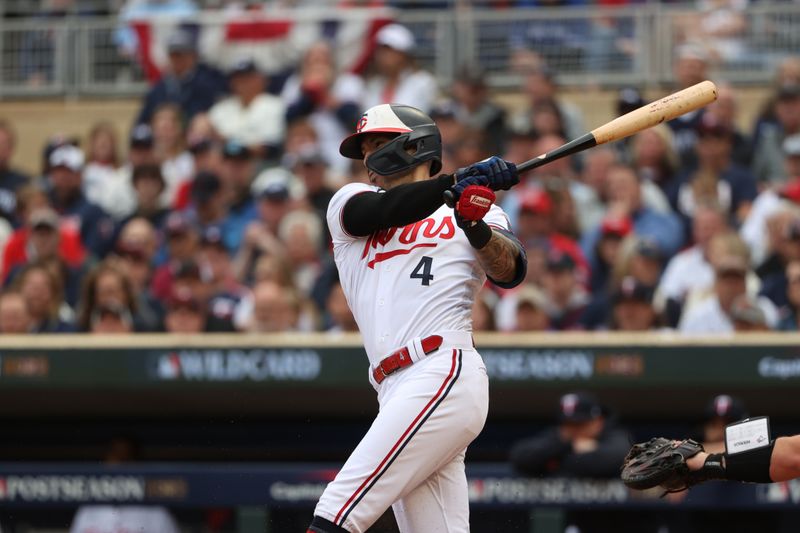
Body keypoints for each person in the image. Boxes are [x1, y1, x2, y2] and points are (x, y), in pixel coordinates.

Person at [307, 103, 525, 533]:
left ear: (415, 145)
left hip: (441, 369)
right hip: (392, 388)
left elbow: (511, 270)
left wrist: (473, 224)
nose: (368, 159)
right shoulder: (349, 202)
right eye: (364, 149)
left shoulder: (471, 212)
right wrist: (454, 183)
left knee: (336, 512)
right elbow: (384, 212)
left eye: (377, 144)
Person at [510, 391, 631, 478]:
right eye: (568, 424)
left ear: (598, 421)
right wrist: (568, 446)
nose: (573, 430)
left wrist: (559, 461)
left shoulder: (616, 435)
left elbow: (618, 460)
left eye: (579, 424)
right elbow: (520, 456)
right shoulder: (560, 438)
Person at [136, 29, 227, 126]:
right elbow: (143, 121)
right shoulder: (160, 88)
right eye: (173, 55)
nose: (177, 59)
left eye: (181, 54)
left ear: (194, 56)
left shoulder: (211, 81)